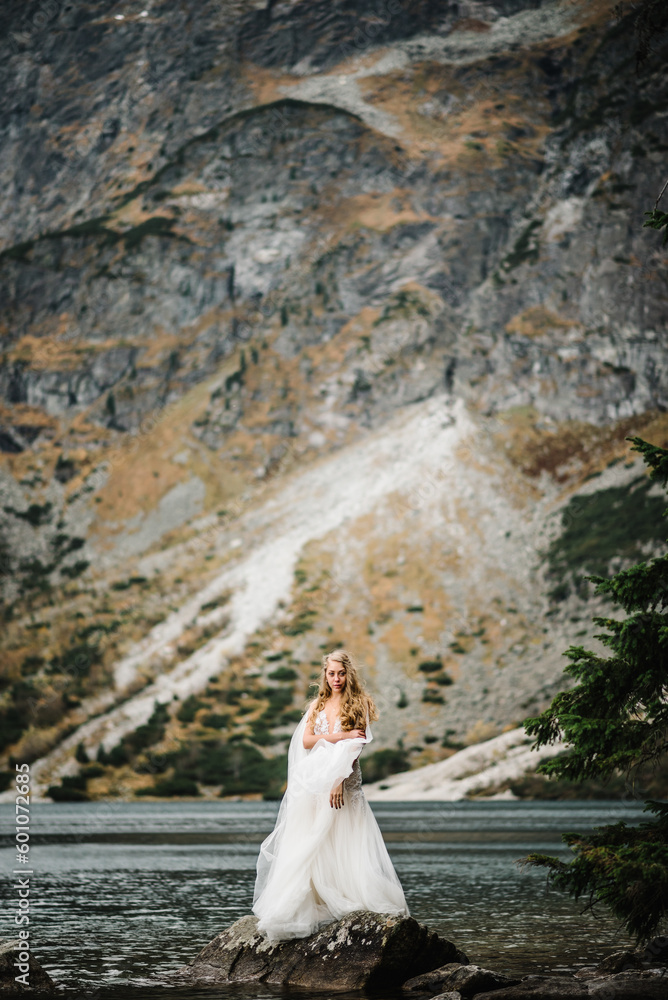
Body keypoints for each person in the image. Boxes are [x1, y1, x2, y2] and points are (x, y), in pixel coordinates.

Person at [252, 648, 409, 943]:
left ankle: (347, 895)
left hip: (344, 779)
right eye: (331, 673)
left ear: (349, 673)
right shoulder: (318, 704)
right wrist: (340, 735)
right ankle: (315, 900)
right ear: (324, 674)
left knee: (345, 837)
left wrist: (338, 779)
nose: (336, 678)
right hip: (315, 780)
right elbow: (308, 740)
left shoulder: (359, 702)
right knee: (313, 838)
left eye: (341, 673)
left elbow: (357, 744)